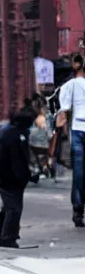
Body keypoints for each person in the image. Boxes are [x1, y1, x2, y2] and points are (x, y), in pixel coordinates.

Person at [0, 107, 38, 248]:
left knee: (9, 208)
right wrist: (27, 176)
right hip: (8, 178)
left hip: (7, 178)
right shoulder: (15, 136)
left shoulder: (12, 133)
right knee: (13, 209)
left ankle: (6, 235)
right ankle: (7, 238)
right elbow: (16, 161)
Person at [58, 53, 85, 227]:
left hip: (77, 129)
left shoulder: (69, 86)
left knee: (79, 173)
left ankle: (78, 211)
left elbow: (64, 111)